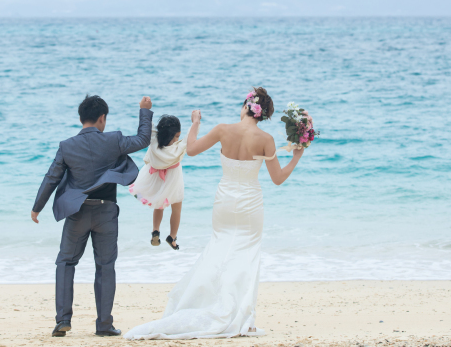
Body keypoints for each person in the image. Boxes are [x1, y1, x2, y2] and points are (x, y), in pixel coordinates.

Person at [124, 87, 307, 340]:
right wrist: (296, 157)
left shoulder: (223, 129)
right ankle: (245, 318)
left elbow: (191, 149)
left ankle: (205, 301)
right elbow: (277, 179)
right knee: (247, 255)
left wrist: (195, 123)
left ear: (246, 106)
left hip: (224, 200)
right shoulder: (266, 140)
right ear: (262, 114)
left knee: (219, 249)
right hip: (251, 203)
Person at [31, 94, 153, 337]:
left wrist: (37, 207)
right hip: (106, 211)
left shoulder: (67, 146)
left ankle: (63, 320)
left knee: (66, 262)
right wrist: (144, 111)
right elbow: (143, 139)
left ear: (80, 119)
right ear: (102, 118)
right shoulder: (113, 140)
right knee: (105, 266)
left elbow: (51, 177)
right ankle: (104, 325)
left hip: (78, 213)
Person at [128, 115, 187, 250]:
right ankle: (172, 237)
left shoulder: (154, 142)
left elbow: (150, 126)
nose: (178, 139)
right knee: (177, 208)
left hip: (156, 178)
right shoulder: (177, 148)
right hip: (174, 178)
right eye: (177, 136)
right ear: (173, 136)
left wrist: (145, 110)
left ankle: (155, 231)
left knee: (158, 203)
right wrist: (196, 122)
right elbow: (190, 138)